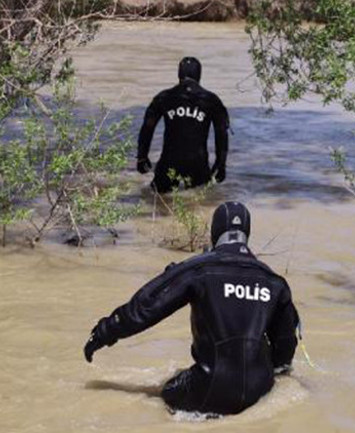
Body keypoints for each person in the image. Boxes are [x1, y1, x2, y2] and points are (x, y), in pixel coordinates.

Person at [83, 202, 301, 415]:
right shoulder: (274, 282)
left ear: (215, 232)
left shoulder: (199, 269)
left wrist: (104, 332)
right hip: (260, 388)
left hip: (208, 390)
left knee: (166, 394)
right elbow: (285, 347)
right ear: (247, 233)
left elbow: (147, 307)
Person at [136, 57, 230, 193]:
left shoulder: (164, 97)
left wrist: (142, 157)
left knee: (157, 200)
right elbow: (221, 133)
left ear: (179, 74)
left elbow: (147, 128)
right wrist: (221, 163)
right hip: (198, 162)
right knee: (200, 203)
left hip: (169, 161)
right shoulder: (211, 100)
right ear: (199, 75)